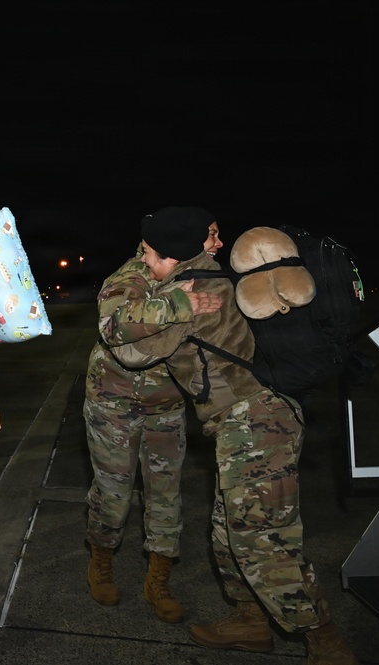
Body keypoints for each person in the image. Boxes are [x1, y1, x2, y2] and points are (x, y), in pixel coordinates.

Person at [108, 206, 358, 664]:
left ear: (171, 255)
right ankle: (249, 620)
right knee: (228, 531)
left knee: (262, 538)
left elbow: (133, 353)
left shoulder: (196, 292)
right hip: (247, 422)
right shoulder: (212, 279)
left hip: (255, 423)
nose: (143, 262)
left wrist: (167, 305)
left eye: (148, 254)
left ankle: (326, 642)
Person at [84, 217, 223, 623]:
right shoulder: (131, 276)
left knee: (166, 493)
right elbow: (115, 326)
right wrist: (181, 304)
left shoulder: (200, 276)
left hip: (167, 405)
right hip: (114, 404)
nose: (219, 241)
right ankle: (102, 561)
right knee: (113, 493)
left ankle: (159, 577)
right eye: (213, 234)